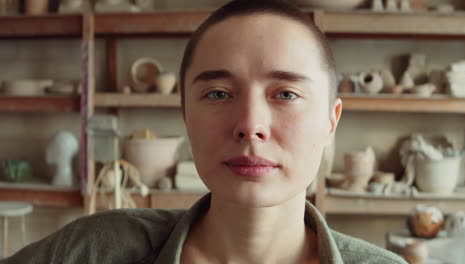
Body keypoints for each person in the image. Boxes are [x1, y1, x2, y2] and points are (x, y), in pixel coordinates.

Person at [1, 1, 407, 263]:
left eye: (285, 93)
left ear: (331, 121)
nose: (250, 125)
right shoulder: (94, 251)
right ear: (184, 113)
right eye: (217, 93)